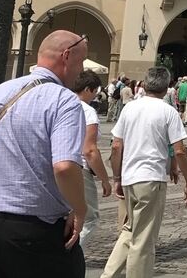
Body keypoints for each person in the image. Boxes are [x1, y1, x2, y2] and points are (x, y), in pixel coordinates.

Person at [0, 30, 89, 277]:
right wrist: (80, 209)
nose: (80, 70)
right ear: (66, 56)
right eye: (80, 62)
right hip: (35, 230)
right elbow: (64, 166)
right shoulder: (64, 100)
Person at [101, 66, 187, 278]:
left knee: (129, 230)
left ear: (144, 83)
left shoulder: (130, 108)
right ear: (167, 87)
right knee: (143, 240)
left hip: (129, 177)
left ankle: (108, 276)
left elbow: (116, 146)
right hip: (151, 178)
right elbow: (179, 150)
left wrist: (117, 177)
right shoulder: (168, 111)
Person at [74, 69, 111, 244]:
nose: (96, 95)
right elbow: (89, 150)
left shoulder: (61, 103)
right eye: (95, 91)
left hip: (56, 165)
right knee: (90, 217)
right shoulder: (87, 111)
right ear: (88, 89)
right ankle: (72, 255)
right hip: (79, 168)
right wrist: (105, 179)